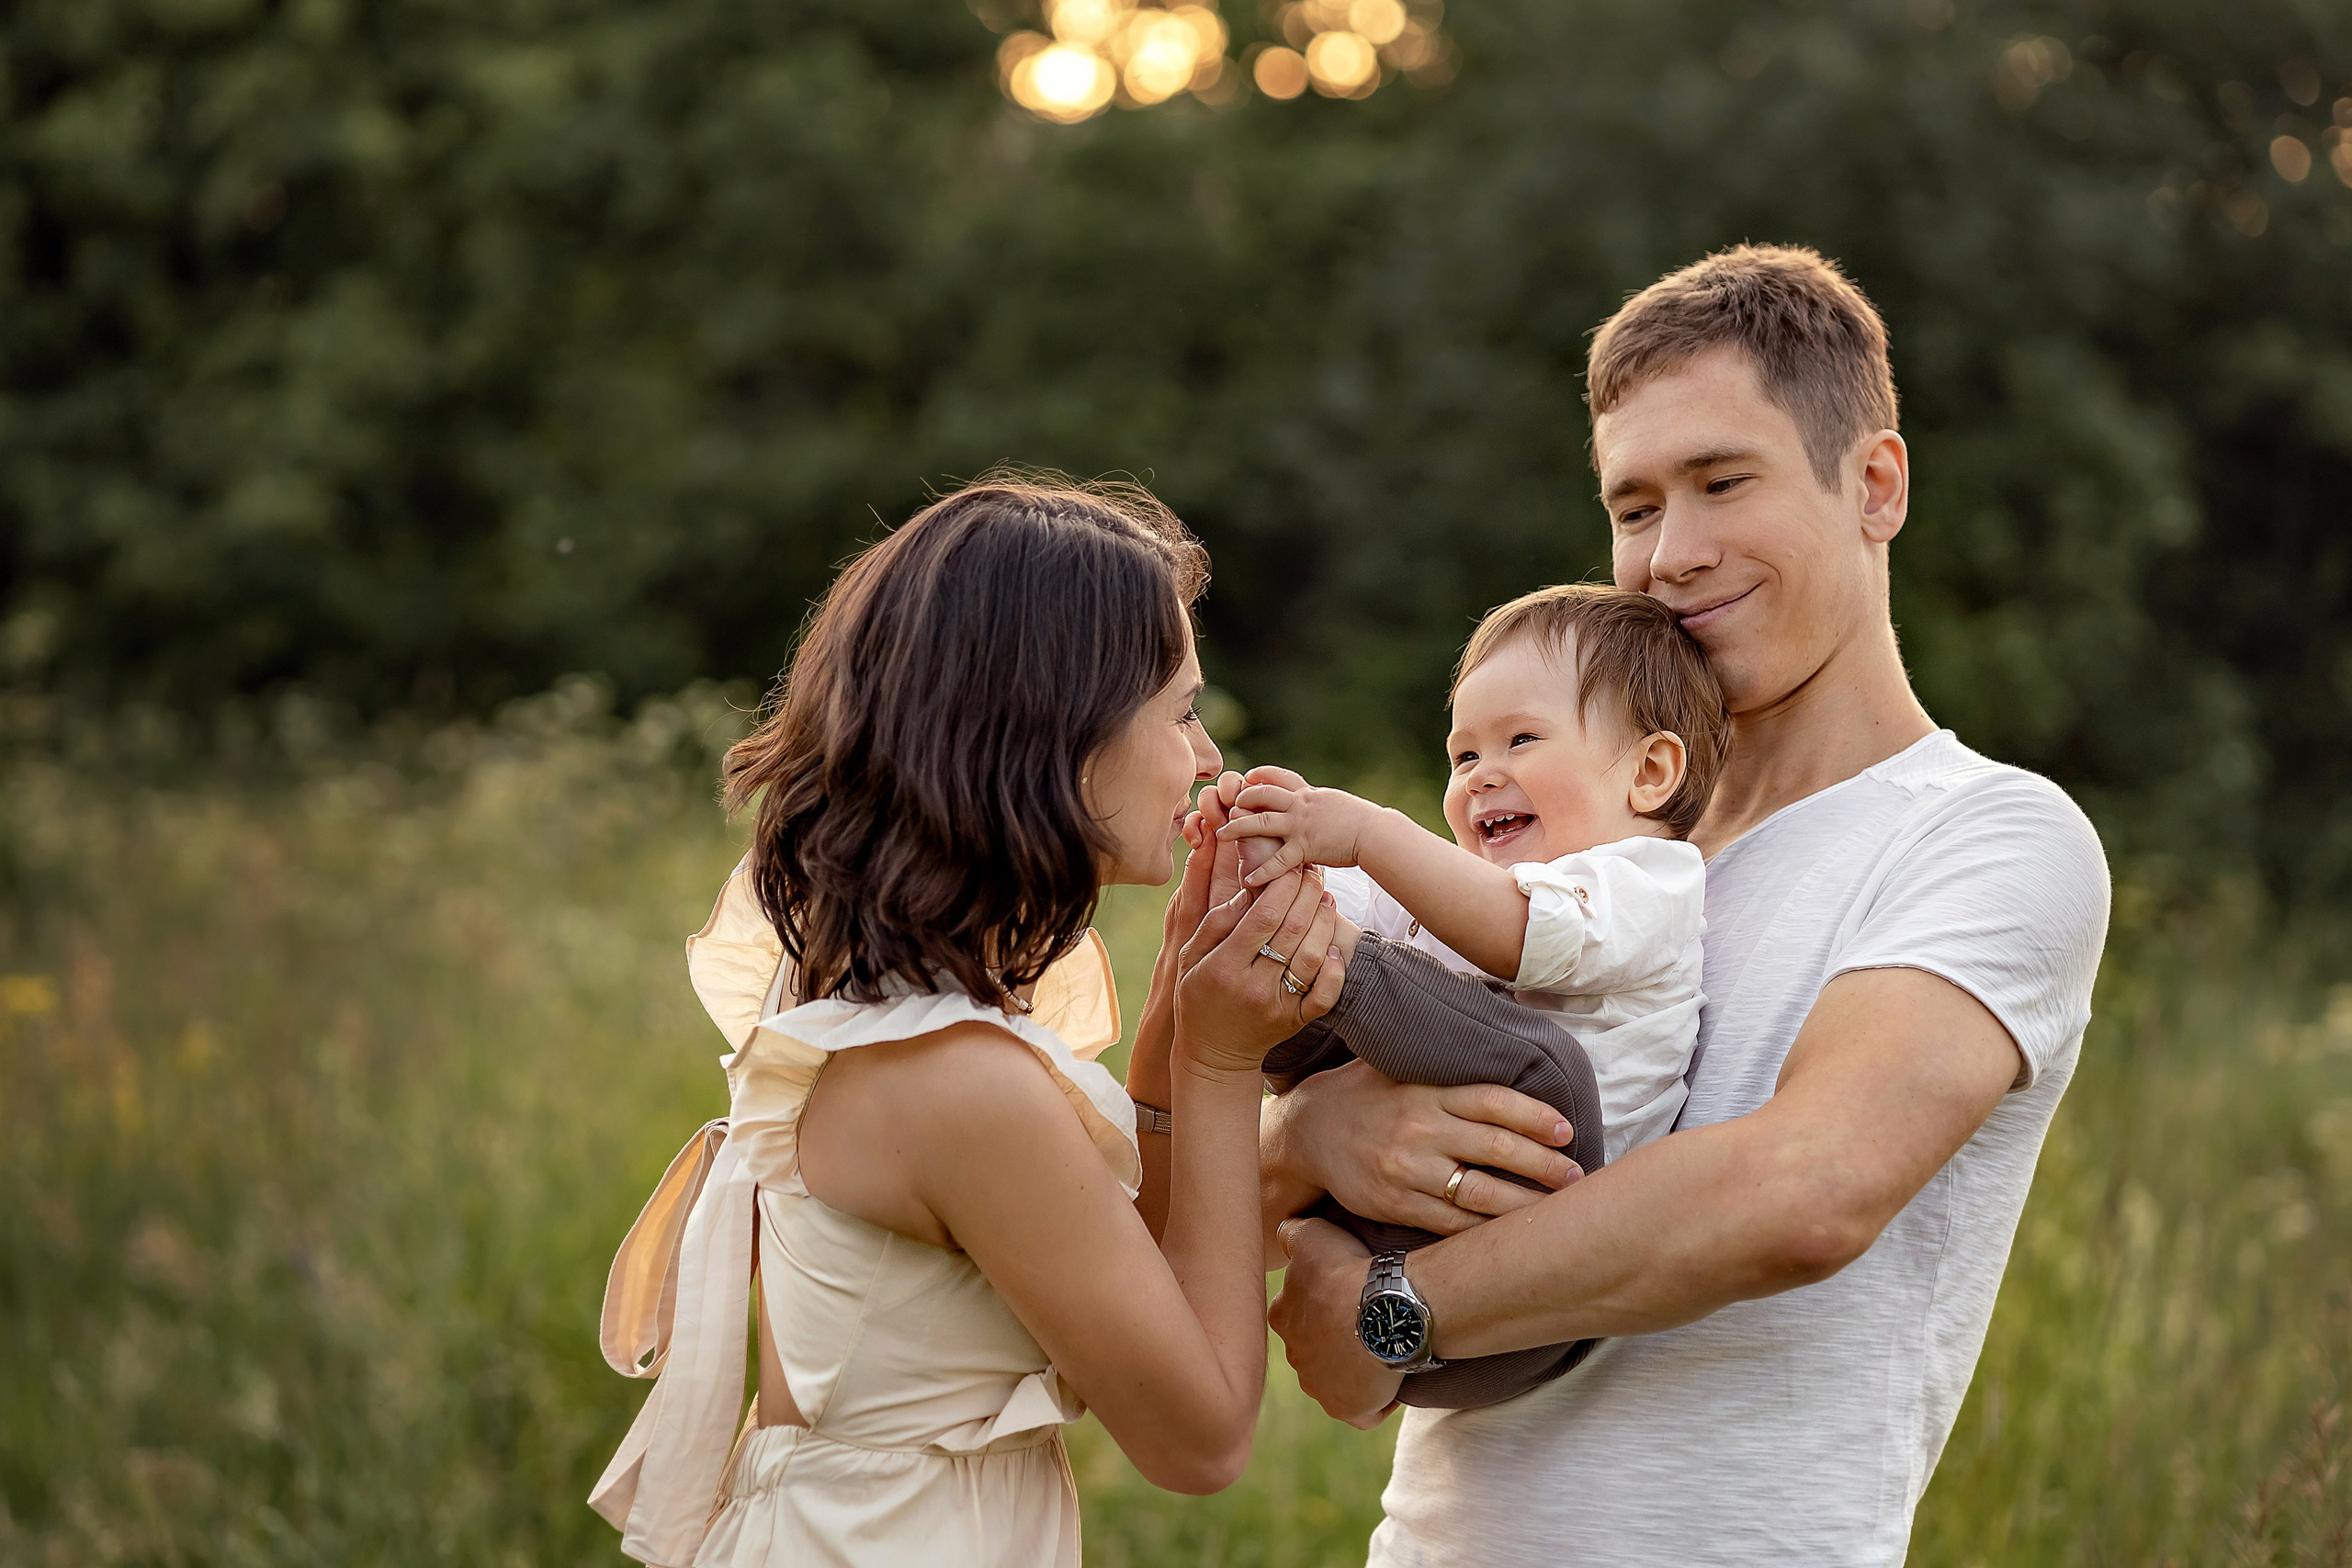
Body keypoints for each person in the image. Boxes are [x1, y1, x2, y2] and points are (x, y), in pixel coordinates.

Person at [1261, 245, 2112, 1565]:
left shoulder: (1988, 834)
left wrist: (1396, 1305)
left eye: (1723, 482)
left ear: (1874, 483)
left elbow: (1800, 1188)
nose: (1672, 553)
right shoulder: (1570, 826)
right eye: (1636, 503)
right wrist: (1312, 1129)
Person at [588, 476, 1351, 1567]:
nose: (1206, 760)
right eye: (1181, 712)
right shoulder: (955, 1082)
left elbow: (1119, 1267)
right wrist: (1224, 1062)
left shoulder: (893, 1013)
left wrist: (1176, 1030)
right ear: (1053, 733)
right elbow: (1202, 1435)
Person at [1212, 583, 1729, 1408]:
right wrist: (1273, 865)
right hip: (1408, 1237)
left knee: (1537, 1055)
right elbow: (1355, 908)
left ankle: (1325, 978)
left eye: (1521, 739)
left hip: (1532, 1265)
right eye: (1462, 756)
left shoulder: (1647, 878)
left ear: (1650, 770)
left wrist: (1370, 835)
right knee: (1306, 971)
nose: (1484, 776)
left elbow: (1514, 936)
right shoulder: (1468, 886)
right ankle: (1275, 986)